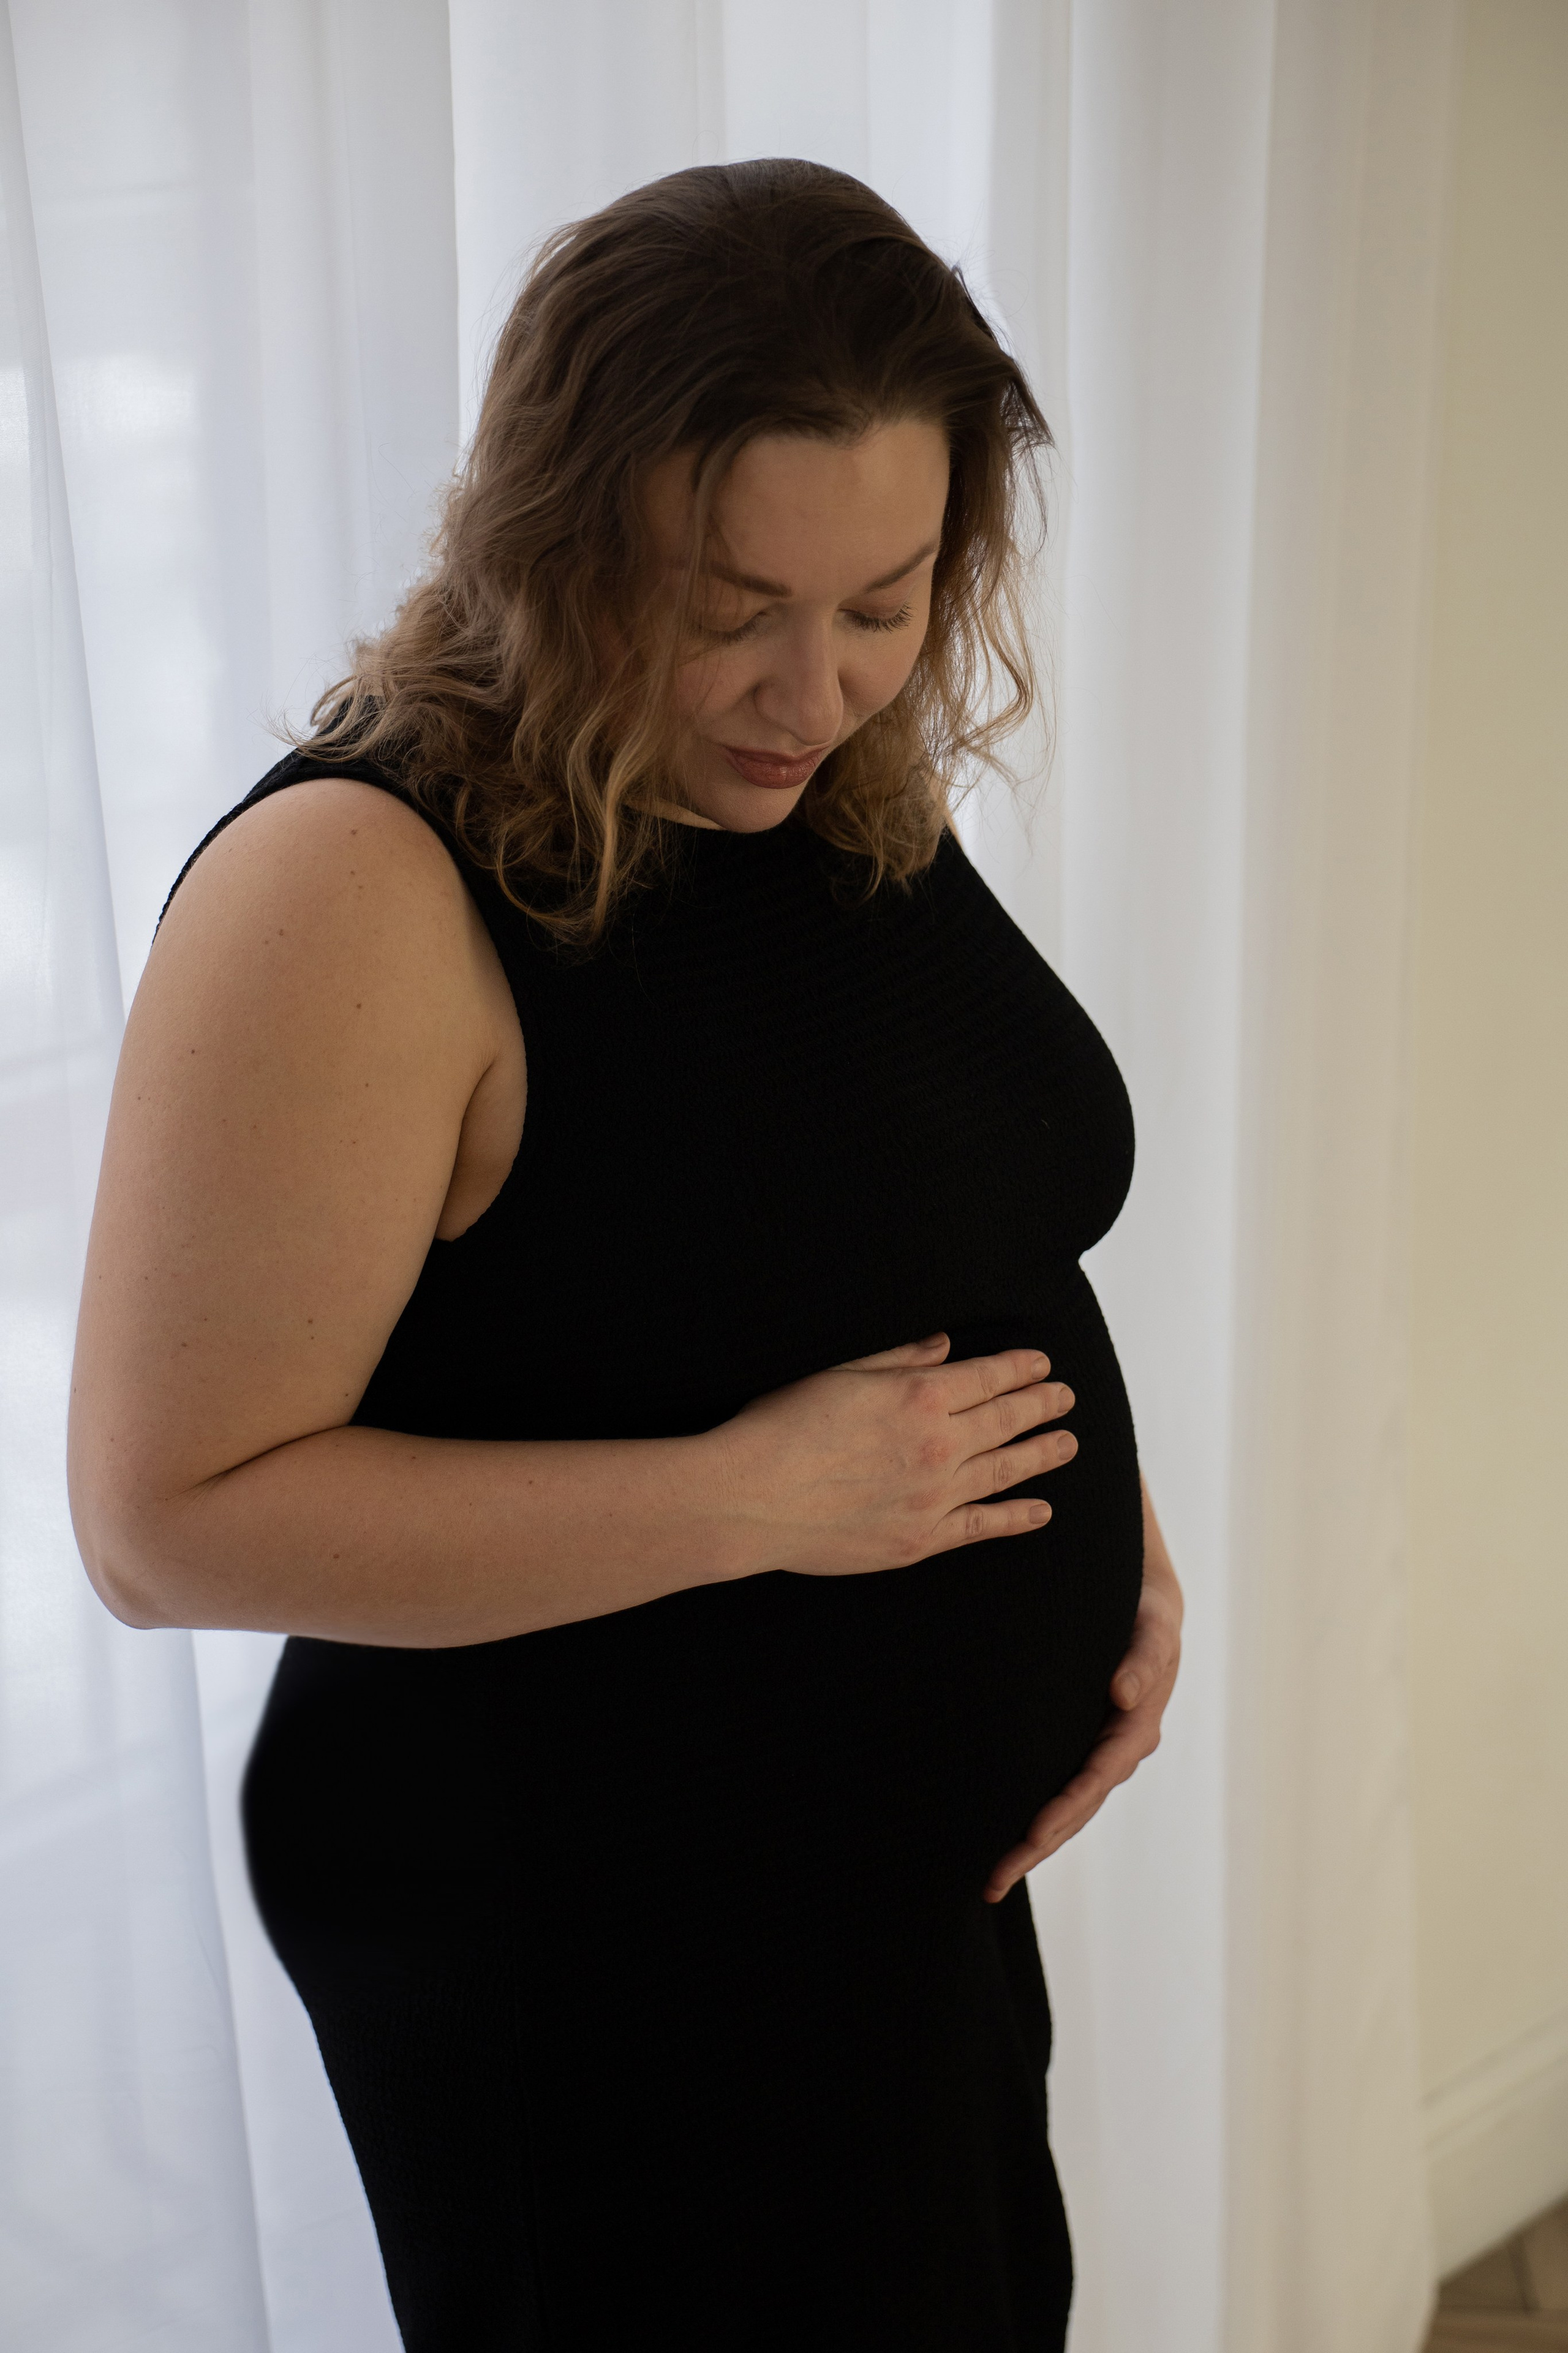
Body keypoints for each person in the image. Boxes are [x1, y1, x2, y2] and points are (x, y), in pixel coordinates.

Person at [68, 159, 1182, 2352]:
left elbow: (909, 1208)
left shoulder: (831, 783)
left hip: (883, 1919)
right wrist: (758, 1494)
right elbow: (159, 1523)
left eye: (887, 595)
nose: (817, 680)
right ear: (549, 538)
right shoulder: (357, 892)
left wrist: (1098, 1532)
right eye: (729, 598)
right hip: (593, 1948)